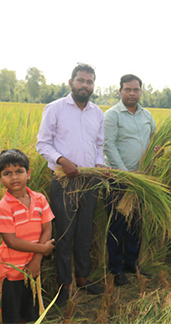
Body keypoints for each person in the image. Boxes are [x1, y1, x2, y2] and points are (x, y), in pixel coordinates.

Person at [36, 63, 104, 307]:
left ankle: (83, 278)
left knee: (85, 232)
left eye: (89, 81)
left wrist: (100, 165)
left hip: (90, 180)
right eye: (81, 80)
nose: (85, 85)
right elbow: (42, 144)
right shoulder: (55, 109)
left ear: (93, 85)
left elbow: (99, 146)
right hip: (64, 181)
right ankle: (64, 285)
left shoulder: (97, 112)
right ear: (71, 83)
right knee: (64, 234)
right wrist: (62, 161)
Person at [103, 74, 155, 286]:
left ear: (141, 91)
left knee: (135, 223)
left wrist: (154, 154)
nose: (132, 93)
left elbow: (153, 138)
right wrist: (126, 174)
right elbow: (109, 146)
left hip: (141, 178)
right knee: (117, 225)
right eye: (128, 90)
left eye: (135, 90)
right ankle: (115, 269)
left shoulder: (146, 115)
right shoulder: (112, 115)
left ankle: (131, 263)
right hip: (118, 179)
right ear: (120, 91)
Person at [0, 149, 55, 323]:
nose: (14, 177)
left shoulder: (40, 199)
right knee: (11, 317)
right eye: (7, 173)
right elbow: (11, 241)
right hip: (11, 274)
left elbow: (47, 229)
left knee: (29, 314)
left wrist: (36, 261)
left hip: (32, 271)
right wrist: (43, 249)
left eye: (19, 171)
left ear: (28, 173)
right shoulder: (4, 207)